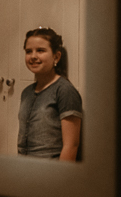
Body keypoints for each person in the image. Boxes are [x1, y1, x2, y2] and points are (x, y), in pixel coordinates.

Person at [17, 27, 83, 161]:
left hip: (50, 172)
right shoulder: (26, 92)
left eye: (40, 50)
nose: (33, 56)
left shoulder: (65, 91)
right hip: (24, 170)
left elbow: (71, 146)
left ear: (56, 56)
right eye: (29, 51)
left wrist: (60, 179)